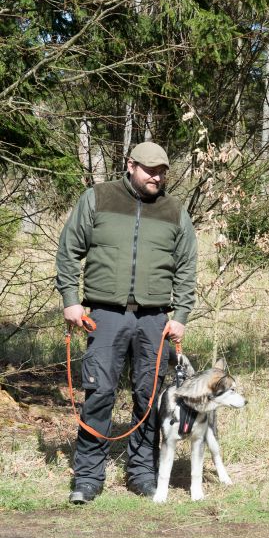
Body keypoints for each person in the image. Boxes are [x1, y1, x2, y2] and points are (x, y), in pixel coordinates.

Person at [56, 141, 198, 504]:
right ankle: (87, 477)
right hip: (103, 315)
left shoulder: (174, 210)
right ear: (130, 165)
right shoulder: (98, 198)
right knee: (99, 393)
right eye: (150, 170)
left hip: (154, 319)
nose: (157, 176)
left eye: (162, 170)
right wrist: (71, 301)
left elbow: (186, 268)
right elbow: (70, 250)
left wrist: (180, 316)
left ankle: (142, 474)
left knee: (148, 399)